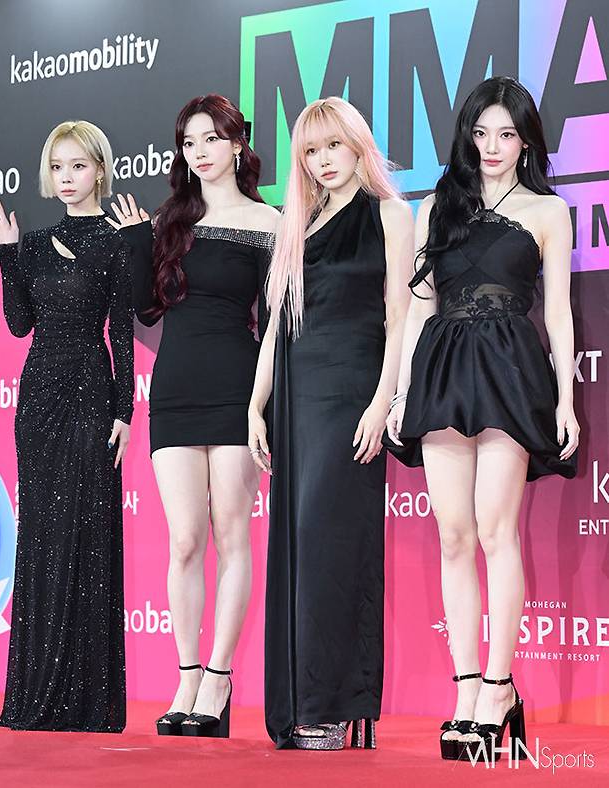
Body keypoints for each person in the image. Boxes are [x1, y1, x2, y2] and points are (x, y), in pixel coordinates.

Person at [385, 77, 579, 762]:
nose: (492, 146)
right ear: (467, 136)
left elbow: (559, 313)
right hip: (443, 368)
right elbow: (419, 306)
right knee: (454, 536)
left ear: (526, 141)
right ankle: (466, 689)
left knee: (497, 532)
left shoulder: (549, 211)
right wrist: (402, 393)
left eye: (506, 134)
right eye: (481, 132)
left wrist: (566, 401)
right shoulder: (438, 205)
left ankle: (499, 690)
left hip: (509, 367)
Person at [248, 96, 414, 750]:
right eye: (311, 152)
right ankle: (302, 701)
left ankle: (337, 703)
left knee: (331, 542)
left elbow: (399, 317)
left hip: (352, 390)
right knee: (297, 545)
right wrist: (256, 405)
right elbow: (274, 328)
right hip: (295, 396)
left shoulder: (390, 215)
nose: (323, 161)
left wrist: (383, 401)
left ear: (357, 146)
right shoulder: (300, 224)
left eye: (333, 146)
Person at [109, 95, 277, 738]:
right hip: (175, 389)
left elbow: (277, 322)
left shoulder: (268, 221)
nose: (200, 152)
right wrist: (136, 244)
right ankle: (185, 676)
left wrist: (262, 404)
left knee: (233, 536)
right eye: (188, 142)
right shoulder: (169, 221)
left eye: (212, 138)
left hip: (238, 390)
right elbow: (144, 309)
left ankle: (219, 678)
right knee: (184, 540)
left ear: (237, 143)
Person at [0, 120, 133, 732]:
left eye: (78, 166)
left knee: (86, 535)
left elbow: (122, 334)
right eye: (58, 166)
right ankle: (35, 692)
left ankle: (85, 699)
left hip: (91, 395)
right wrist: (6, 254)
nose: (67, 177)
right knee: (41, 539)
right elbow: (19, 324)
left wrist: (124, 411)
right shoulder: (33, 243)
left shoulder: (116, 243)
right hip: (38, 401)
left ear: (100, 170)